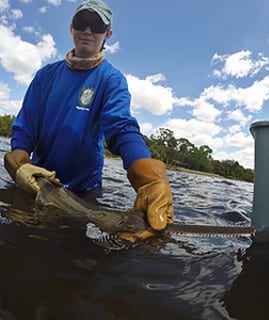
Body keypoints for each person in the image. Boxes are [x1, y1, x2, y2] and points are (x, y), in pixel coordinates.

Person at [3, 0, 174, 232]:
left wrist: (148, 178)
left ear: (108, 34)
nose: (87, 31)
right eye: (81, 23)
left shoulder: (111, 79)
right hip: (38, 180)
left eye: (97, 26)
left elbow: (121, 128)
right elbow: (25, 129)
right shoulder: (45, 75)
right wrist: (19, 163)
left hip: (85, 190)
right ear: (71, 27)